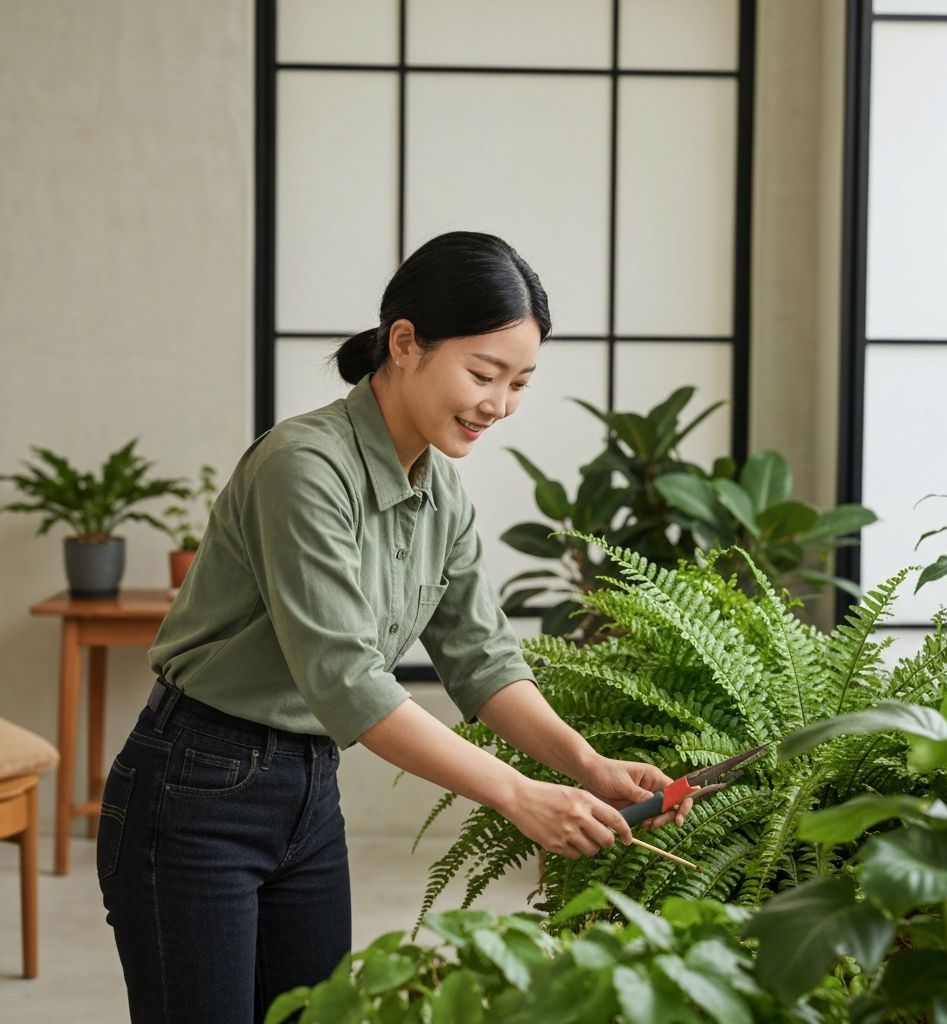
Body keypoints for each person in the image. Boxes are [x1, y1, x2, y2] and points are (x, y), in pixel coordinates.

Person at [97, 231, 692, 1024]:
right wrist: (519, 796)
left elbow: (484, 662)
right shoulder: (302, 466)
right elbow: (347, 681)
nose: (500, 404)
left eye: (520, 382)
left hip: (309, 792)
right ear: (404, 341)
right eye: (484, 374)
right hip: (198, 788)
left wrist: (587, 765)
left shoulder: (440, 492)